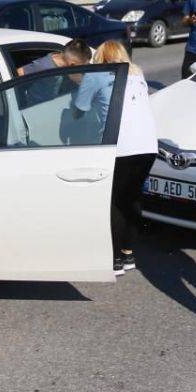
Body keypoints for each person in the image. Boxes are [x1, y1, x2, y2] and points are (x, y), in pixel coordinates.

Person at [72, 40, 158, 276]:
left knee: (113, 201)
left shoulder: (96, 75)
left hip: (120, 146)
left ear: (101, 59)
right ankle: (129, 253)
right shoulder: (137, 73)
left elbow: (80, 109)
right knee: (132, 198)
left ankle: (115, 258)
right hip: (148, 145)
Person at [15, 38, 92, 76]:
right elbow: (19, 72)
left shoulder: (60, 61)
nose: (82, 72)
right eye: (81, 68)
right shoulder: (44, 66)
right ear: (72, 65)